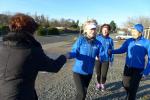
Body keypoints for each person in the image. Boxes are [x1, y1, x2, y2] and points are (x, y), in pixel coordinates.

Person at [0, 13, 67, 100]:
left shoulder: (2, 45)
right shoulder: (31, 50)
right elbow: (54, 67)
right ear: (31, 31)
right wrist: (64, 56)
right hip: (20, 95)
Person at [108, 24, 150, 100]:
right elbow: (122, 50)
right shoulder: (129, 41)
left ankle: (130, 97)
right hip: (128, 67)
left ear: (140, 32)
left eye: (135, 31)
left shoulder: (147, 43)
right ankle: (128, 93)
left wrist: (146, 71)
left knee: (133, 89)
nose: (133, 32)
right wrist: (112, 51)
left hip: (138, 70)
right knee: (125, 84)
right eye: (132, 31)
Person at [66, 20, 104, 100]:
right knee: (81, 93)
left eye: (94, 29)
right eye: (91, 29)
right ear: (86, 30)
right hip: (78, 72)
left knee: (84, 93)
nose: (93, 31)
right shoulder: (81, 40)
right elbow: (75, 51)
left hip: (89, 73)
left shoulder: (98, 43)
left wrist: (101, 57)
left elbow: (101, 54)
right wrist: (69, 55)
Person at [95, 24, 114, 91]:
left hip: (106, 59)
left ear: (108, 31)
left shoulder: (110, 40)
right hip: (98, 59)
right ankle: (98, 84)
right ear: (102, 30)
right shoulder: (97, 38)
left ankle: (102, 84)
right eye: (104, 29)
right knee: (98, 73)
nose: (105, 31)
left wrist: (111, 59)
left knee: (104, 74)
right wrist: (95, 56)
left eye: (107, 30)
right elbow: (94, 48)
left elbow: (112, 50)